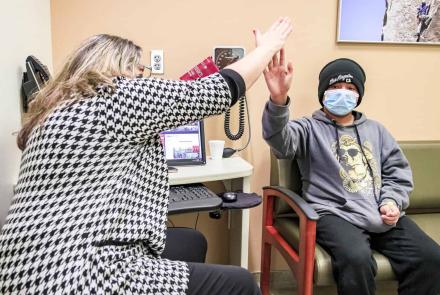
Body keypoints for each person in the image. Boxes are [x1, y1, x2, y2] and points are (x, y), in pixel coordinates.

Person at [0, 17, 292, 294]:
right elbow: (219, 90)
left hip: (23, 271)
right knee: (239, 284)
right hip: (83, 273)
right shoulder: (113, 98)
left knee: (190, 241)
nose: (143, 80)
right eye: (139, 73)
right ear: (115, 68)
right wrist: (268, 48)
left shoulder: (51, 117)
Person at [261, 54, 440, 295]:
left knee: (431, 258)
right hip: (333, 213)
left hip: (380, 212)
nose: (343, 93)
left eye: (350, 88)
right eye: (336, 87)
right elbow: (279, 142)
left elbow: (397, 172)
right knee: (356, 259)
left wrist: (391, 200)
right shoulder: (308, 128)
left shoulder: (376, 130)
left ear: (358, 95)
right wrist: (278, 100)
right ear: (323, 93)